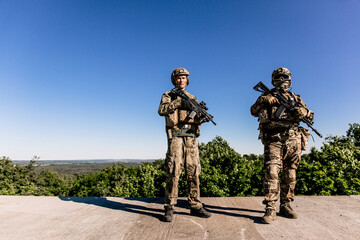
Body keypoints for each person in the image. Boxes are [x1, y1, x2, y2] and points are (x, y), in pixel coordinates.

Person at [250, 67, 314, 224]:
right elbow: (252, 111)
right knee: (272, 172)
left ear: (289, 79)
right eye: (278, 77)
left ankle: (286, 205)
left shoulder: (295, 98)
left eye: (284, 77)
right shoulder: (266, 96)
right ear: (273, 80)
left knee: (290, 174)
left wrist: (303, 113)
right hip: (274, 139)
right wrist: (262, 101)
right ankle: (270, 208)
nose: (281, 80)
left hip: (293, 139)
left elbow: (311, 116)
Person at [158, 67, 211, 222]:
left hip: (191, 138)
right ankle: (169, 206)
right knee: (173, 170)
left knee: (193, 170)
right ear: (174, 80)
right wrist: (179, 102)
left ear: (187, 80)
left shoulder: (192, 97)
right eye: (179, 78)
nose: (181, 80)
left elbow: (193, 117)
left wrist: (200, 117)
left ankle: (195, 205)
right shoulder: (168, 95)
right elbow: (161, 110)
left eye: (184, 78)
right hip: (175, 136)